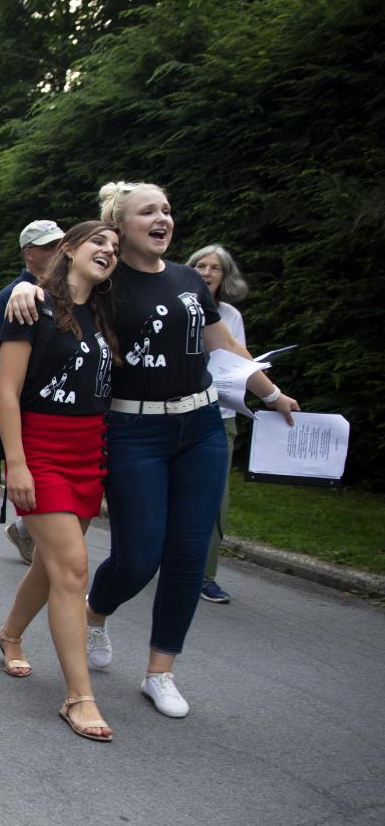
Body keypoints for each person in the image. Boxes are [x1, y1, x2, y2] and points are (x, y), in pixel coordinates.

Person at [5, 181, 299, 719]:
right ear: (120, 224)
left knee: (188, 553)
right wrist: (25, 289)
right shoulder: (108, 282)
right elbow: (59, 288)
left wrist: (273, 393)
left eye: (167, 210)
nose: (162, 218)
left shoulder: (190, 279)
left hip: (203, 426)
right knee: (138, 555)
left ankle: (160, 671)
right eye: (148, 211)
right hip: (133, 432)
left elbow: (225, 346)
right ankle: (95, 612)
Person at [0, 221, 121, 743]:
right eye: (98, 242)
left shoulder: (107, 311)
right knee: (73, 569)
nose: (109, 251)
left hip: (89, 449)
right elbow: (7, 392)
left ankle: (9, 634)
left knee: (53, 567)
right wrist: (17, 464)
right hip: (41, 448)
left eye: (115, 247)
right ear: (68, 249)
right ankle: (78, 696)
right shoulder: (30, 307)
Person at [0, 220, 66, 566]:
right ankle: (28, 531)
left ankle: (26, 531)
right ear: (28, 253)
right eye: (48, 247)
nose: (57, 253)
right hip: (27, 408)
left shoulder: (70, 292)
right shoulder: (9, 297)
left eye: (61, 245)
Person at [189, 243, 250, 605]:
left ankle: (204, 575)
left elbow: (238, 361)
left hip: (220, 415)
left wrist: (271, 393)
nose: (207, 272)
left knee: (216, 501)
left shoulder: (230, 316)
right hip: (180, 412)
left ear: (224, 276)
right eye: (200, 265)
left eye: (215, 267)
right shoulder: (176, 305)